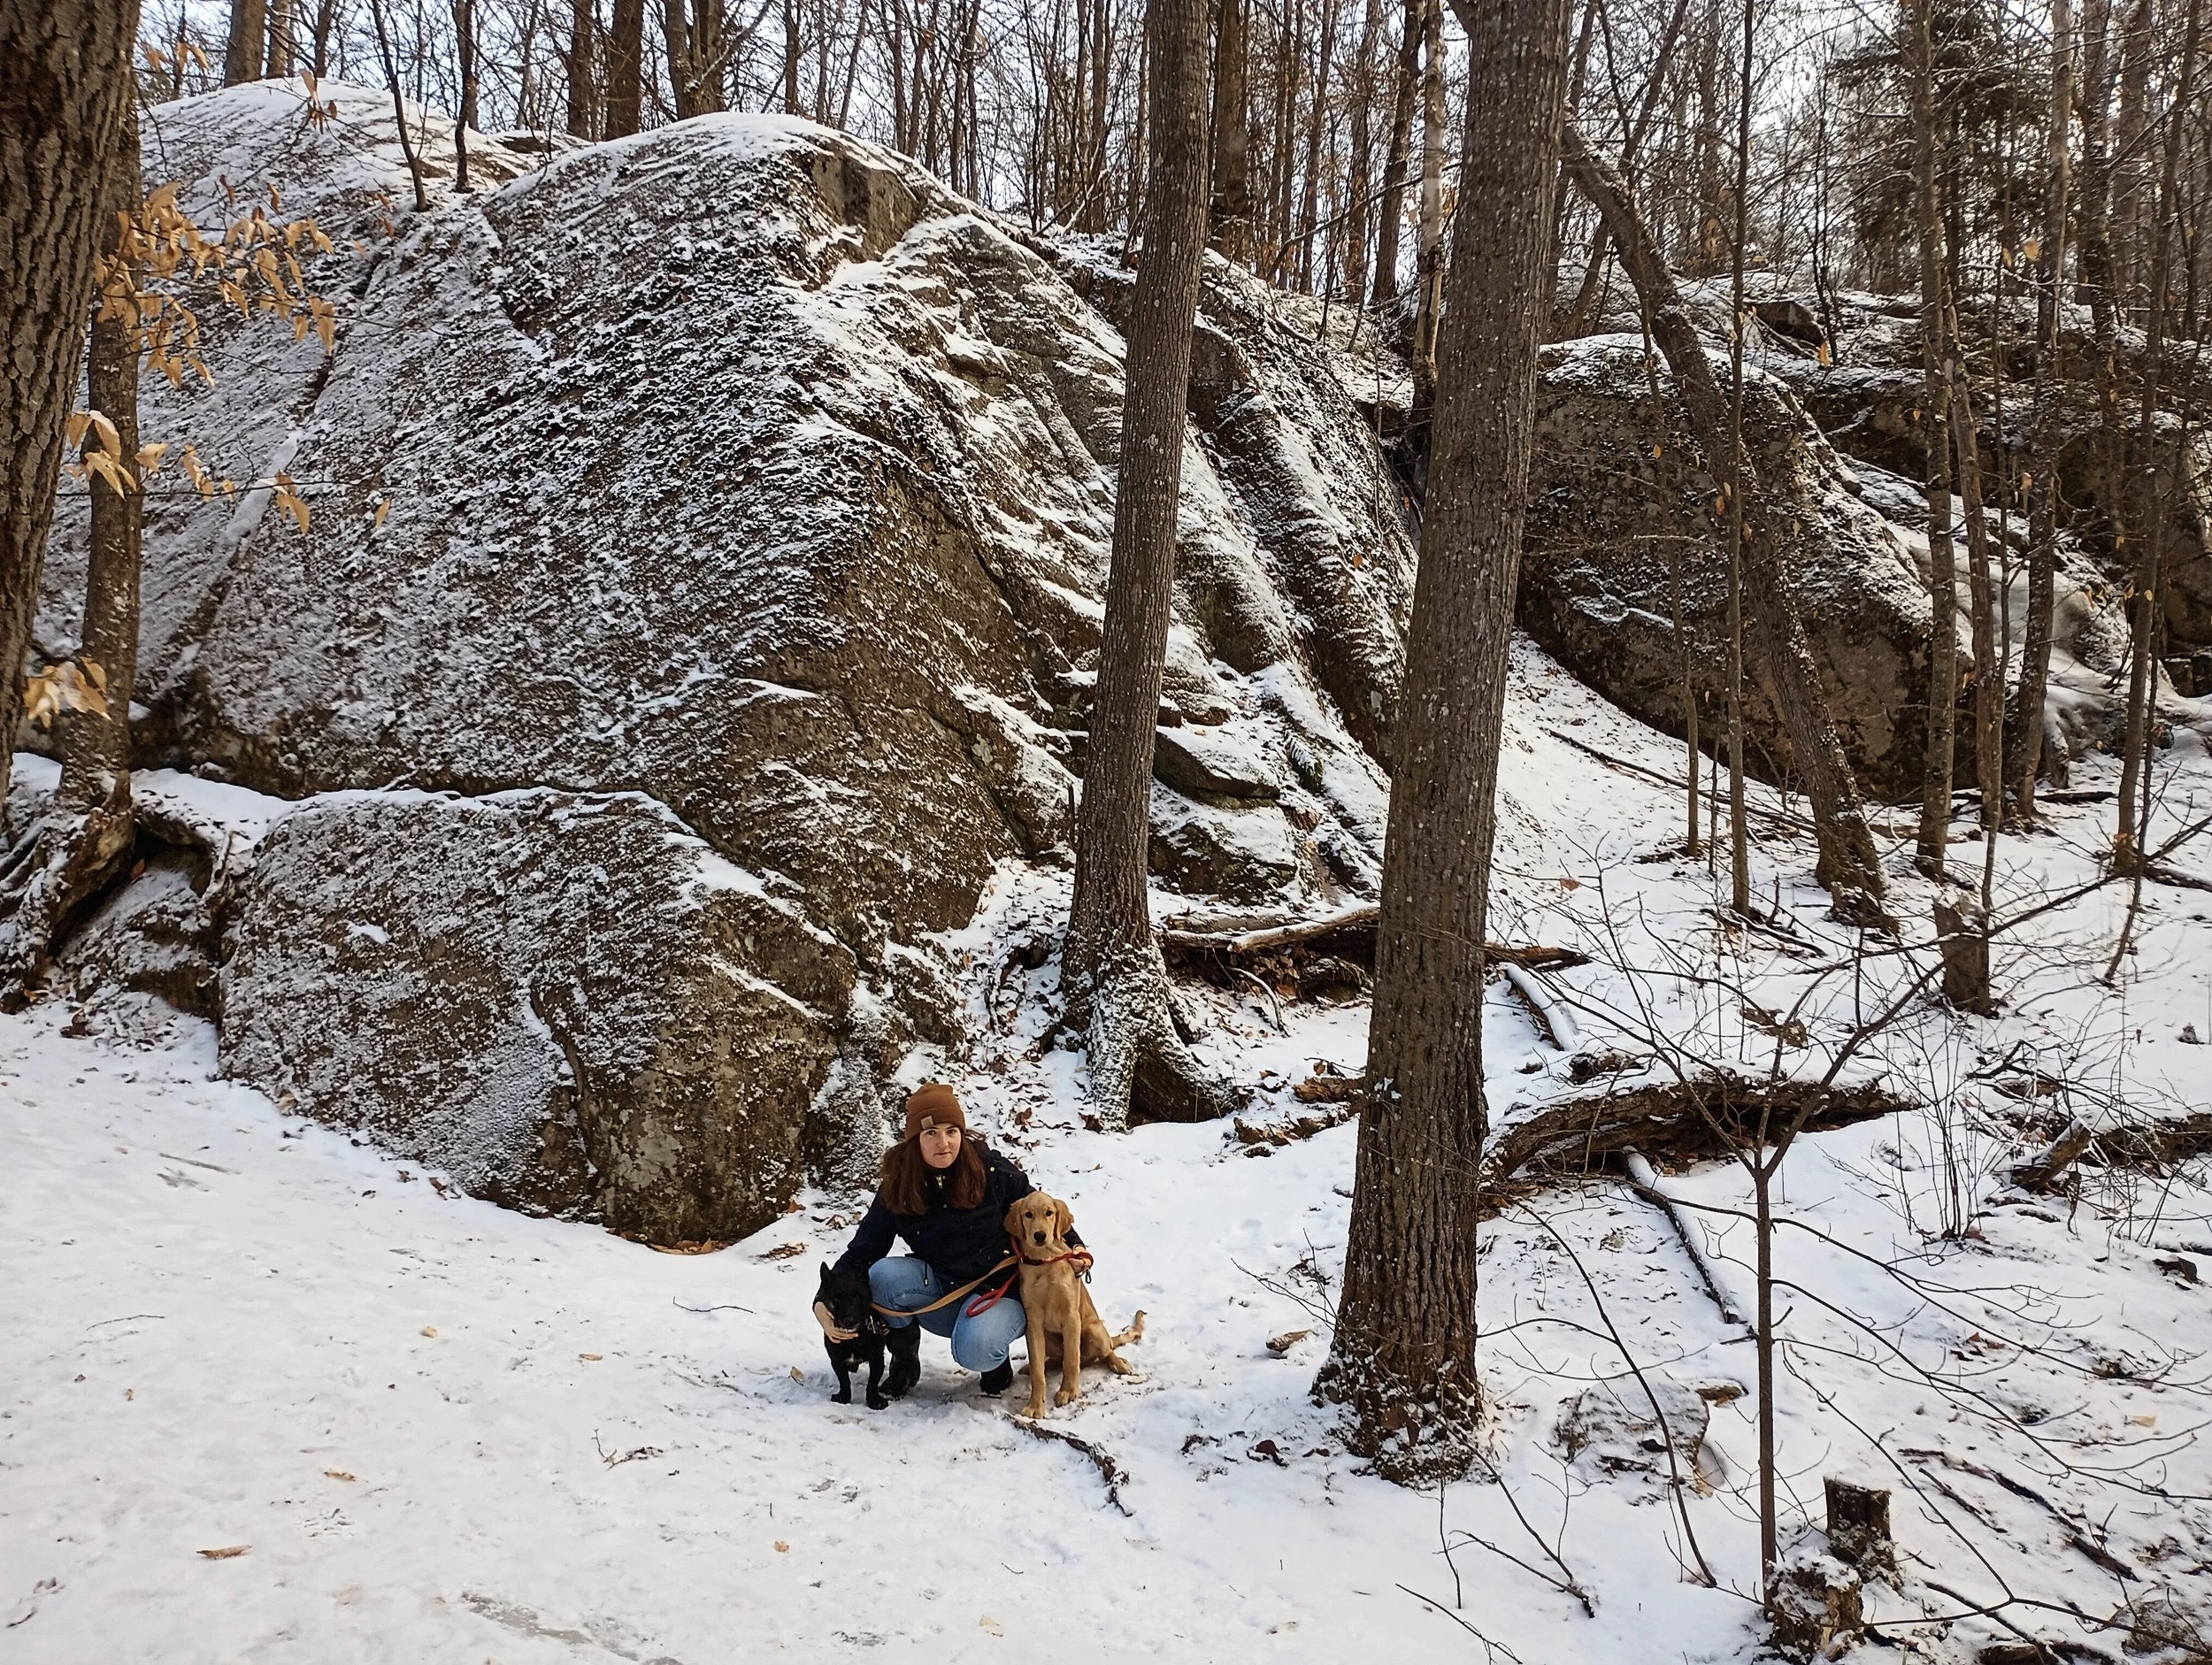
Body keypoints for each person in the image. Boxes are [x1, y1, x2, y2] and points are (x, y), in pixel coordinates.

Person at [815, 1082, 1073, 1398]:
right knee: (880, 1277)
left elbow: (1040, 1209)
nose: (944, 1143)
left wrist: (1075, 1246)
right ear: (915, 1139)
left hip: (998, 1293)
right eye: (931, 1133)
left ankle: (994, 1360)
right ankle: (904, 1358)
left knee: (975, 1349)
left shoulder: (990, 1169)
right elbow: (861, 1252)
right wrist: (822, 1298)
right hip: (941, 1291)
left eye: (952, 1131)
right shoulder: (899, 1185)